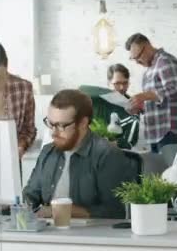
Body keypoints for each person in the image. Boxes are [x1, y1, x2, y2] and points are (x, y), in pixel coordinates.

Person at [23, 89, 138, 219]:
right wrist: (24, 207)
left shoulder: (107, 155)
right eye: (50, 123)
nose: (53, 133)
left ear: (83, 123)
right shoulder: (48, 152)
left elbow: (116, 210)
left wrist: (62, 211)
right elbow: (30, 195)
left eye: (61, 125)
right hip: (48, 231)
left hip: (89, 235)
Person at [125, 33, 177, 153]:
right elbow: (157, 101)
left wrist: (144, 96)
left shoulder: (165, 61)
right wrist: (140, 107)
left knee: (167, 172)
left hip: (168, 132)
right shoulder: (150, 69)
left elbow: (174, 91)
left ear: (147, 46)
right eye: (133, 59)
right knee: (157, 172)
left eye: (138, 56)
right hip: (156, 133)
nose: (137, 62)